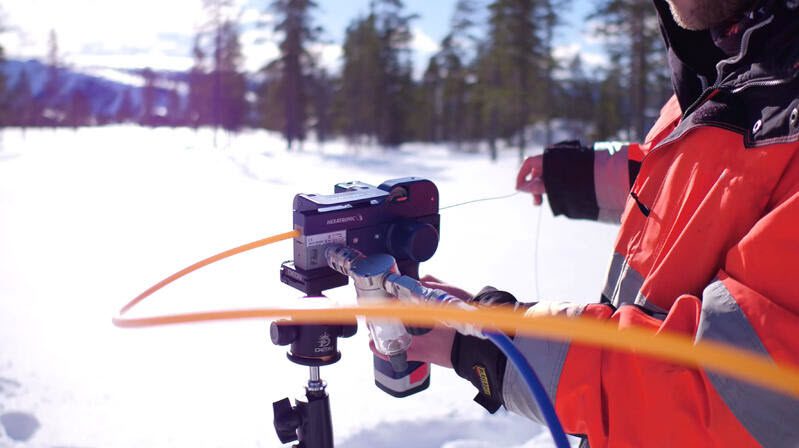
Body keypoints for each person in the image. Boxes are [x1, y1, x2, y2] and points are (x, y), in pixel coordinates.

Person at [399, 0, 799, 446]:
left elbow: (715, 404)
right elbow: (713, 181)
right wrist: (580, 176)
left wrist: (486, 341)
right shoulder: (721, 64)